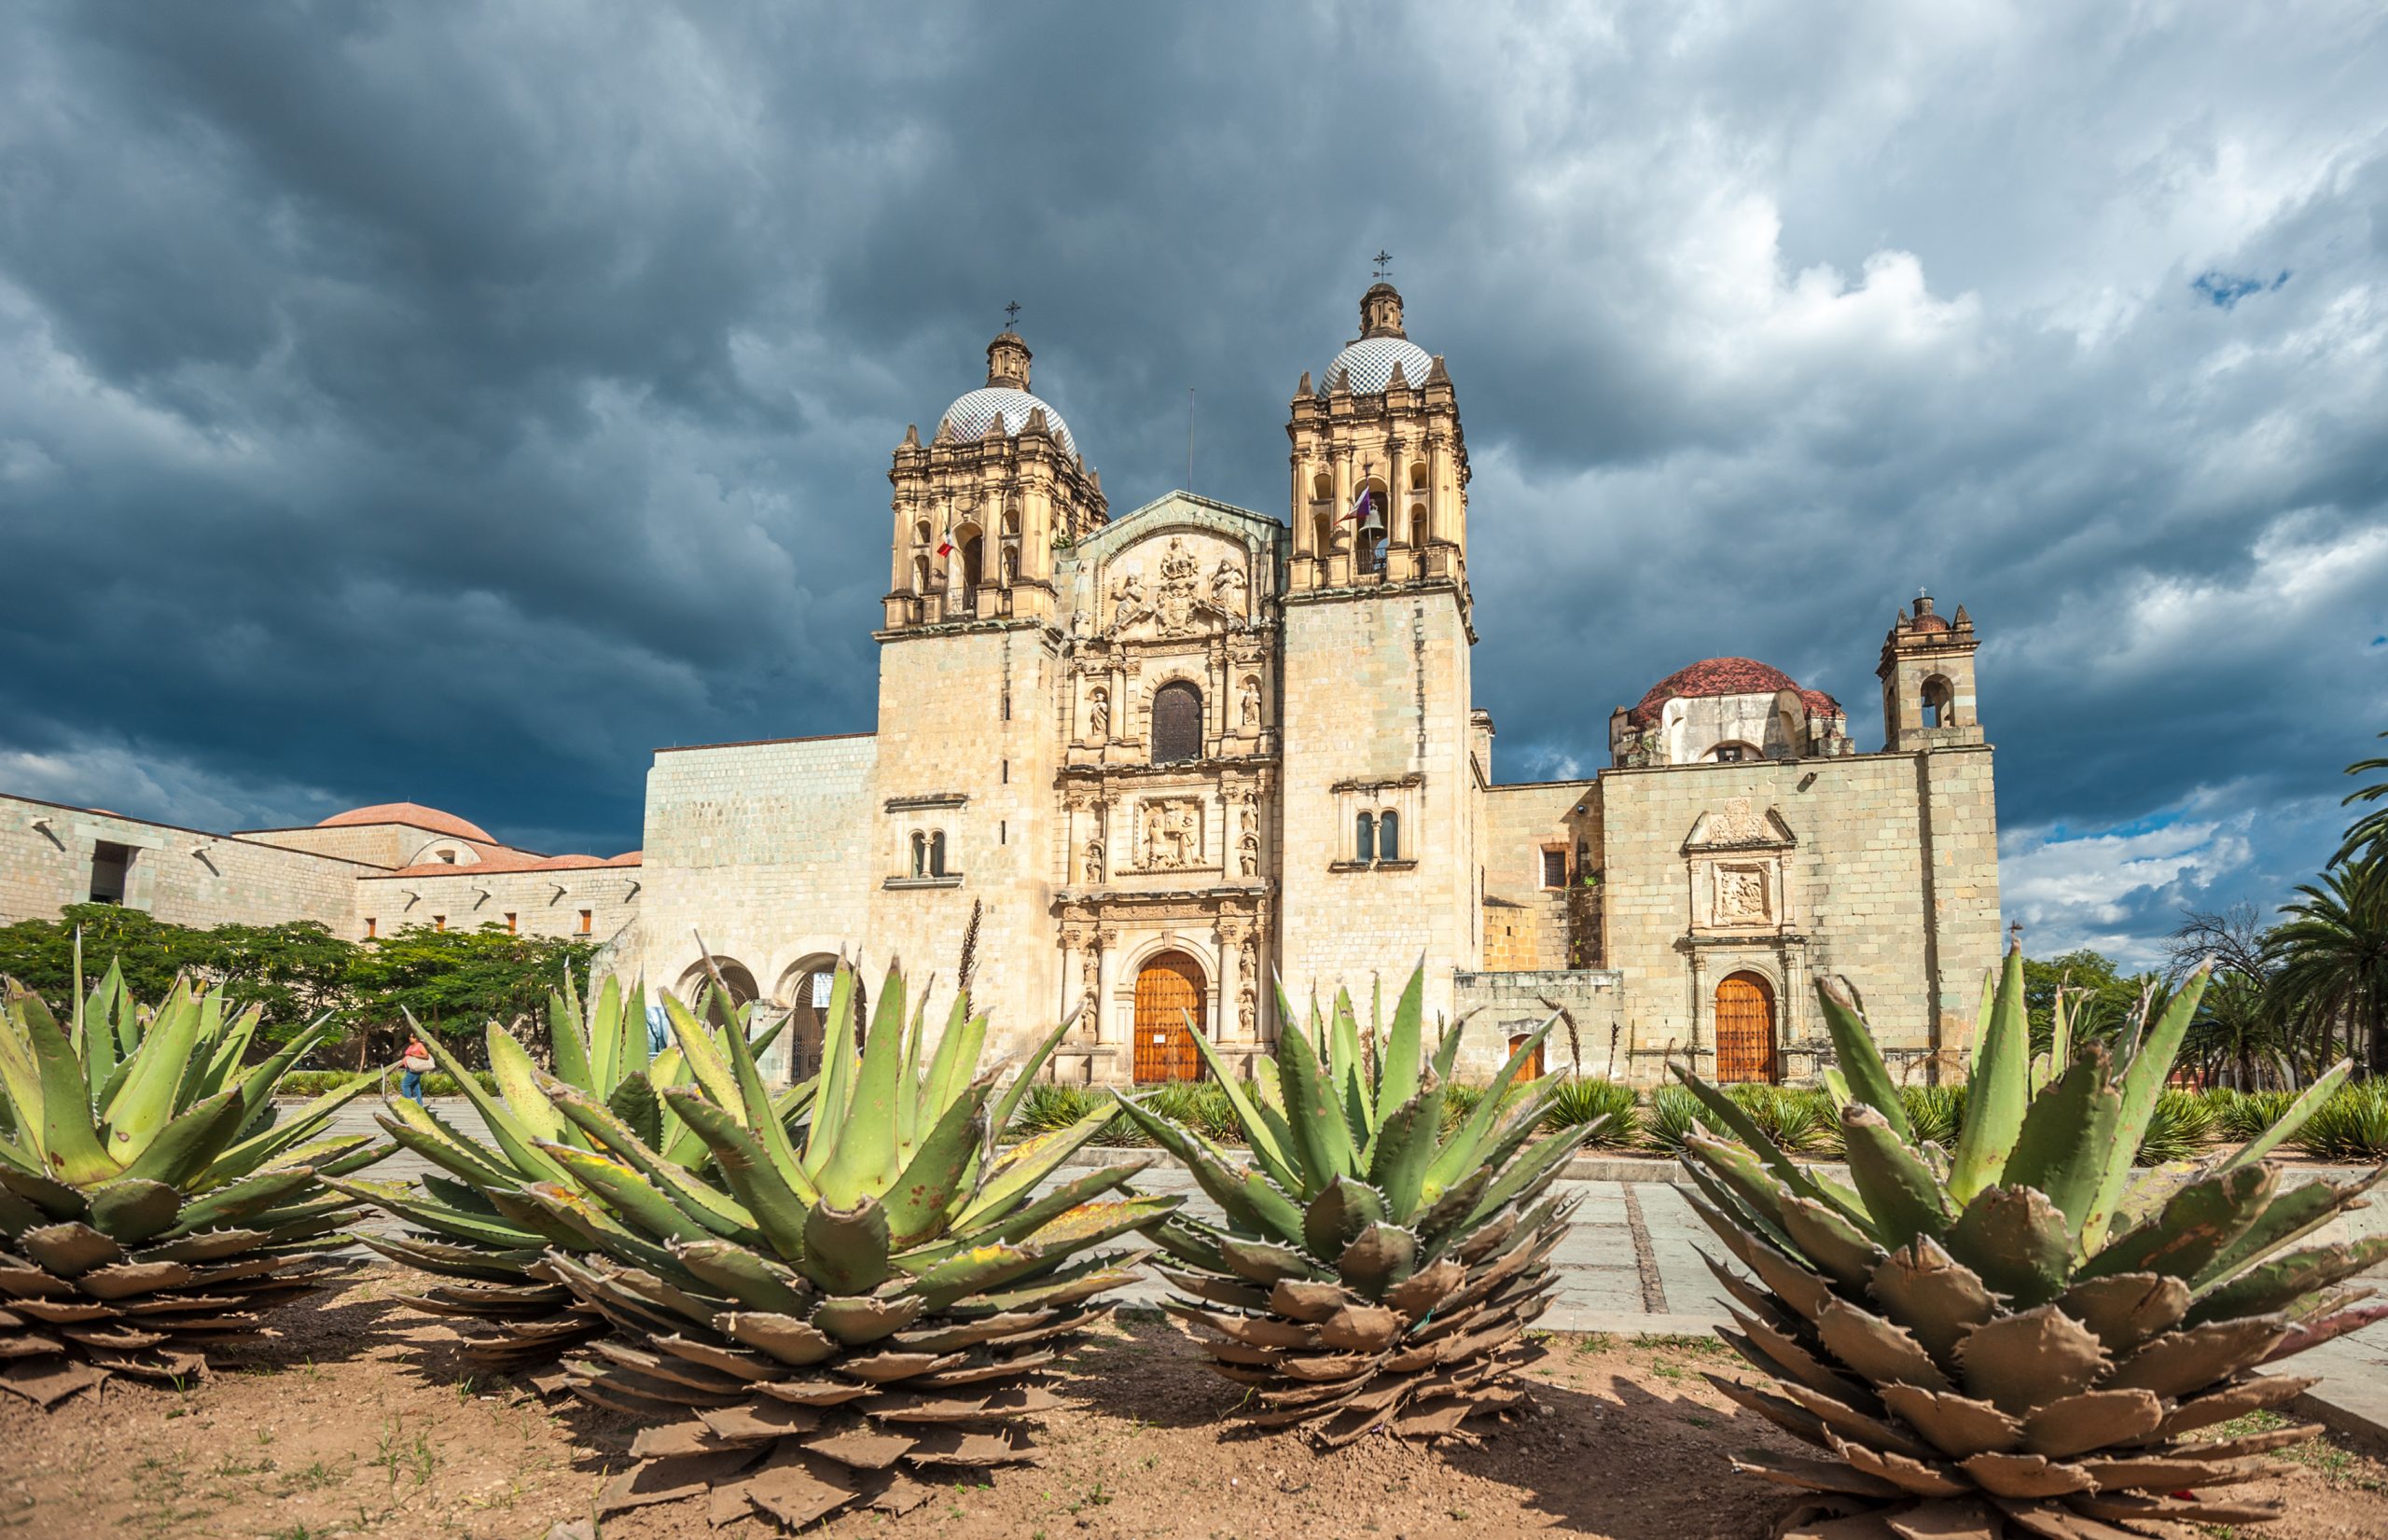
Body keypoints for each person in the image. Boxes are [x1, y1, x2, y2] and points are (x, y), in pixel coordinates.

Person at [397, 1036, 434, 1103]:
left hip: (416, 1069)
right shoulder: (411, 1046)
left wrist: (414, 1055)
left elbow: (426, 1056)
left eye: (411, 1037)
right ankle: (419, 1105)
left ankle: (409, 1103)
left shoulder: (419, 1045)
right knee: (416, 1087)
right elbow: (407, 1056)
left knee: (404, 1084)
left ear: (416, 1038)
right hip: (409, 1068)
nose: (409, 1038)